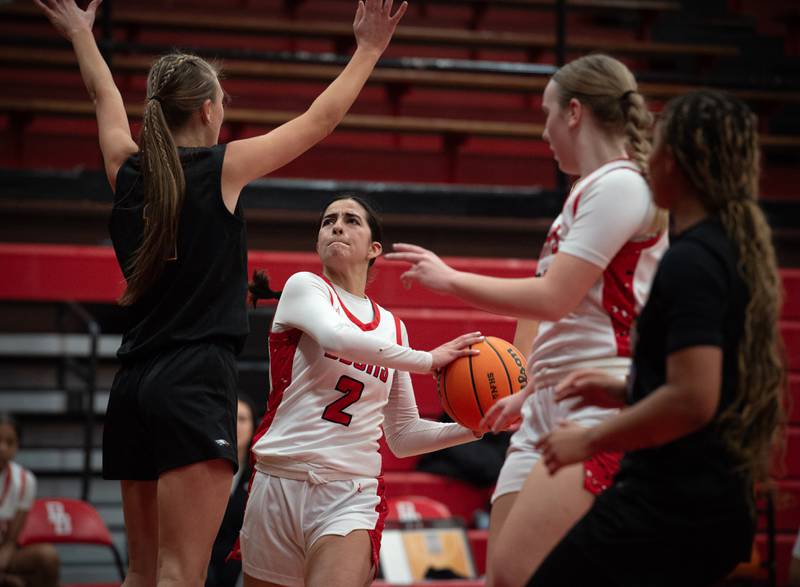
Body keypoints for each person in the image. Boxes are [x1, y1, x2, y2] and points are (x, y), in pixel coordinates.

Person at [34, 1, 407, 585]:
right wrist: (369, 49)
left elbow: (102, 97)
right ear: (208, 110)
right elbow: (319, 122)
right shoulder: (219, 168)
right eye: (223, 104)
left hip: (131, 381)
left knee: (141, 573)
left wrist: (81, 33)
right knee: (181, 572)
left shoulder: (126, 170)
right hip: (192, 378)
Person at [385, 53, 668, 586]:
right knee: (506, 578)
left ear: (576, 113)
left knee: (521, 572)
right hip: (548, 399)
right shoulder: (584, 194)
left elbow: (554, 298)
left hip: (594, 403)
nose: (543, 132)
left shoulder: (622, 185)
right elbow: (567, 316)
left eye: (547, 115)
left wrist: (451, 281)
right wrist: (528, 389)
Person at [529, 90, 787, 586]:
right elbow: (708, 382)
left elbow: (692, 400)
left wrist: (590, 438)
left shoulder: (692, 261)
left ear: (680, 163)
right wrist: (625, 390)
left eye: (657, 147)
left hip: (673, 503)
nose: (648, 160)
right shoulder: (724, 248)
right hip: (710, 500)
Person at [238, 196, 484, 587]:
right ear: (318, 242)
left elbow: (402, 437)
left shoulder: (393, 328)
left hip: (348, 491)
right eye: (327, 221)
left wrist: (475, 428)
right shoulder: (306, 288)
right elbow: (337, 337)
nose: (336, 226)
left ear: (374, 249)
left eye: (351, 220)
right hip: (277, 482)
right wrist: (427, 360)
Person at [0, 413, 60, 587]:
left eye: (10, 442)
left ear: (17, 446)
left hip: (5, 552)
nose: (2, 448)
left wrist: (4, 558)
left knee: (48, 557)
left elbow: (11, 541)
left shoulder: (26, 480)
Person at [207, 396, 258, 587]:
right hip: (202, 565)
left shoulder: (260, 473)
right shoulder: (203, 470)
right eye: (231, 418)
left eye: (243, 419)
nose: (236, 425)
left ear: (254, 425)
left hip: (243, 568)